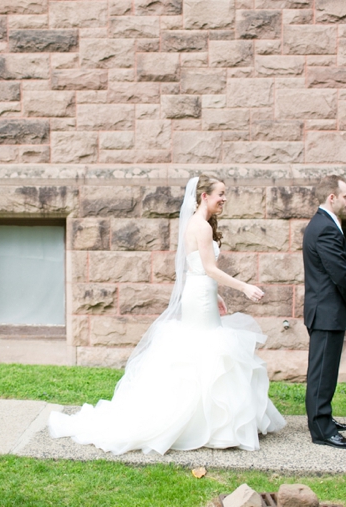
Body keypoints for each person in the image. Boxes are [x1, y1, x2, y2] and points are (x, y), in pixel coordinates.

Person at [47, 175, 286, 455]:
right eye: (220, 193)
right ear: (203, 196)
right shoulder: (203, 227)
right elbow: (208, 267)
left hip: (200, 294)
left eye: (225, 193)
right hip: (200, 296)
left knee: (201, 350)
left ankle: (209, 423)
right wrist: (243, 286)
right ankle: (208, 425)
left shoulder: (195, 225)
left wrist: (216, 293)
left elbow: (194, 268)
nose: (225, 198)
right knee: (208, 349)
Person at [302, 175, 346, 450]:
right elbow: (338, 271)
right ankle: (322, 430)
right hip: (326, 311)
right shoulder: (324, 227)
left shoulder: (325, 223)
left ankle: (322, 418)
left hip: (326, 310)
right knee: (322, 372)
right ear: (332, 197)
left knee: (326, 370)